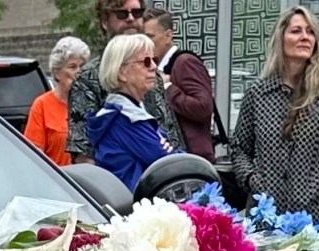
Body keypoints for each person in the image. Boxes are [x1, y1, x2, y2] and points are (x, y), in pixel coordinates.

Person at [224, 7, 319, 218]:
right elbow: (240, 148)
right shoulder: (258, 93)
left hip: (313, 213)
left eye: (311, 32)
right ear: (281, 37)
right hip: (265, 214)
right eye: (296, 31)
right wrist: (253, 180)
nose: (305, 37)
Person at [86, 34, 174, 193]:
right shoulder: (124, 118)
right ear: (121, 72)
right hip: (134, 208)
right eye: (145, 62)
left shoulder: (125, 111)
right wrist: (168, 149)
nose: (154, 66)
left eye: (154, 59)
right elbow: (167, 164)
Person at [68, 0, 152, 163]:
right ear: (105, 22)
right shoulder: (86, 79)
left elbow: (172, 139)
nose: (130, 19)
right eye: (121, 13)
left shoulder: (152, 73)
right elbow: (84, 156)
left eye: (136, 13)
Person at [144, 2, 216, 162]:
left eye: (150, 37)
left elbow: (204, 107)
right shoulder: (158, 68)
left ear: (168, 36)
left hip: (191, 161)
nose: (145, 43)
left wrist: (168, 88)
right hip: (175, 160)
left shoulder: (185, 62)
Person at [28, 36, 92, 167]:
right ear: (57, 73)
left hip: (91, 181)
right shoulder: (42, 105)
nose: (79, 72)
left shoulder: (94, 103)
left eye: (83, 66)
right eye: (72, 67)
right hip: (59, 181)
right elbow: (34, 158)